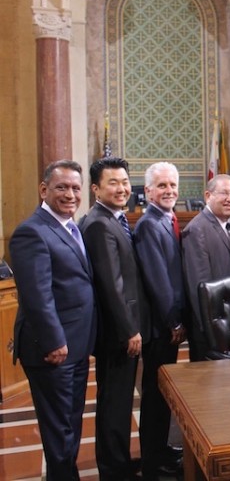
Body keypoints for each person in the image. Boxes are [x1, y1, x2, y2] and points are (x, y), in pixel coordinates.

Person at [10, 160, 97, 480]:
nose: (71, 194)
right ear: (43, 190)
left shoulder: (71, 227)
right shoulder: (31, 232)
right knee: (59, 429)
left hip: (74, 344)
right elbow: (37, 295)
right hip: (53, 349)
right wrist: (54, 341)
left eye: (76, 188)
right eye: (62, 187)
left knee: (70, 423)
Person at [80, 158, 149, 480]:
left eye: (125, 182)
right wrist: (129, 330)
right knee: (114, 402)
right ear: (95, 189)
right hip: (117, 332)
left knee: (120, 401)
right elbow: (111, 285)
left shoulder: (115, 219)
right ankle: (113, 469)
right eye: (113, 183)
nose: (122, 188)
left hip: (124, 329)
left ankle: (119, 460)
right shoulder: (98, 224)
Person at [133, 161, 188, 478]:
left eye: (172, 185)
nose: (169, 191)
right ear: (149, 190)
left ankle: (162, 450)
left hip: (167, 326)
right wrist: (173, 323)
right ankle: (153, 461)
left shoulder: (166, 219)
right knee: (154, 396)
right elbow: (158, 281)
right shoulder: (150, 225)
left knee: (162, 393)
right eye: (162, 186)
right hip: (159, 328)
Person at [181, 174, 230, 361]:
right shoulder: (197, 229)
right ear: (208, 196)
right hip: (211, 327)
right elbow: (200, 285)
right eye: (224, 193)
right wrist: (211, 328)